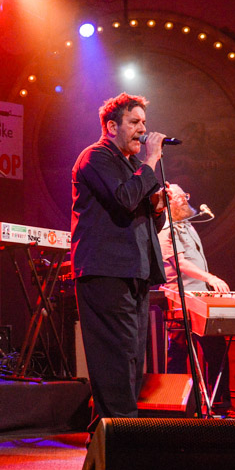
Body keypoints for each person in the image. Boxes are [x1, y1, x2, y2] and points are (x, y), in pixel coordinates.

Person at [71, 92, 167, 420]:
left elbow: (143, 219)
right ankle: (120, 435)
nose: (143, 129)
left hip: (135, 270)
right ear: (112, 126)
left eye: (144, 122)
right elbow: (124, 199)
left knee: (131, 358)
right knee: (115, 356)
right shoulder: (95, 157)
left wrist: (159, 206)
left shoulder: (130, 165)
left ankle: (111, 431)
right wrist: (151, 161)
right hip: (106, 269)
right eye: (134, 122)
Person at [157, 183, 231, 405]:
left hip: (199, 297)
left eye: (184, 195)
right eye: (179, 197)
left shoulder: (187, 226)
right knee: (180, 352)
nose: (184, 200)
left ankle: (220, 401)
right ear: (167, 203)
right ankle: (172, 402)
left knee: (215, 348)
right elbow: (179, 263)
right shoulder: (165, 230)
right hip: (181, 299)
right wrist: (211, 278)